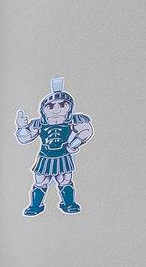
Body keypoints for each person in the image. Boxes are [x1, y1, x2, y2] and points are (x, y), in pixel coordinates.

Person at [15, 77, 92, 215]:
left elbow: (87, 130)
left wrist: (73, 145)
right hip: (45, 157)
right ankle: (35, 206)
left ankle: (69, 204)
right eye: (50, 107)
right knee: (41, 181)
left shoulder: (72, 121)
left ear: (69, 107)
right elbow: (25, 138)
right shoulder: (39, 124)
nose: (56, 110)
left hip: (63, 155)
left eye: (62, 105)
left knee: (64, 179)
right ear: (44, 110)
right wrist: (22, 128)